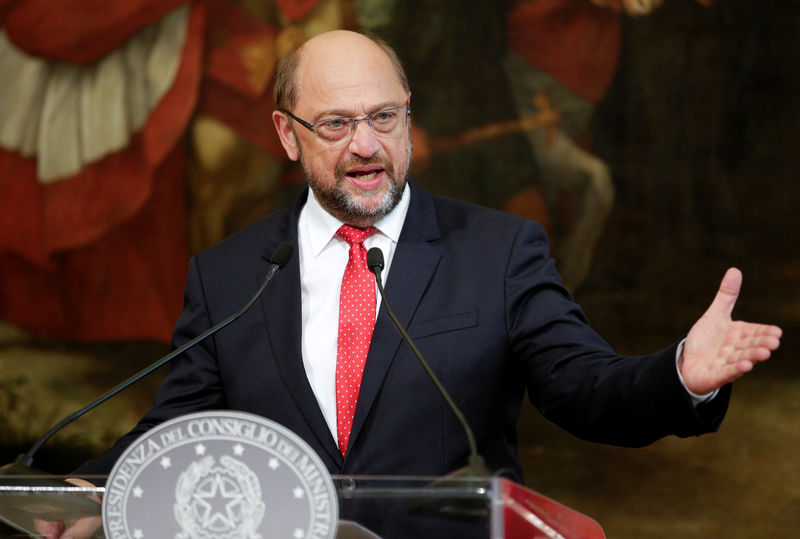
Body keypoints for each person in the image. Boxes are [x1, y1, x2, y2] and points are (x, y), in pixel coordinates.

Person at [63, 29, 780, 536]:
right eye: (337, 124)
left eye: (384, 116)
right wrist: (82, 489)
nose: (367, 144)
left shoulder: (499, 251)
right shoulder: (227, 275)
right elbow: (178, 431)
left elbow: (585, 388)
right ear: (287, 135)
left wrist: (681, 372)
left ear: (408, 112)